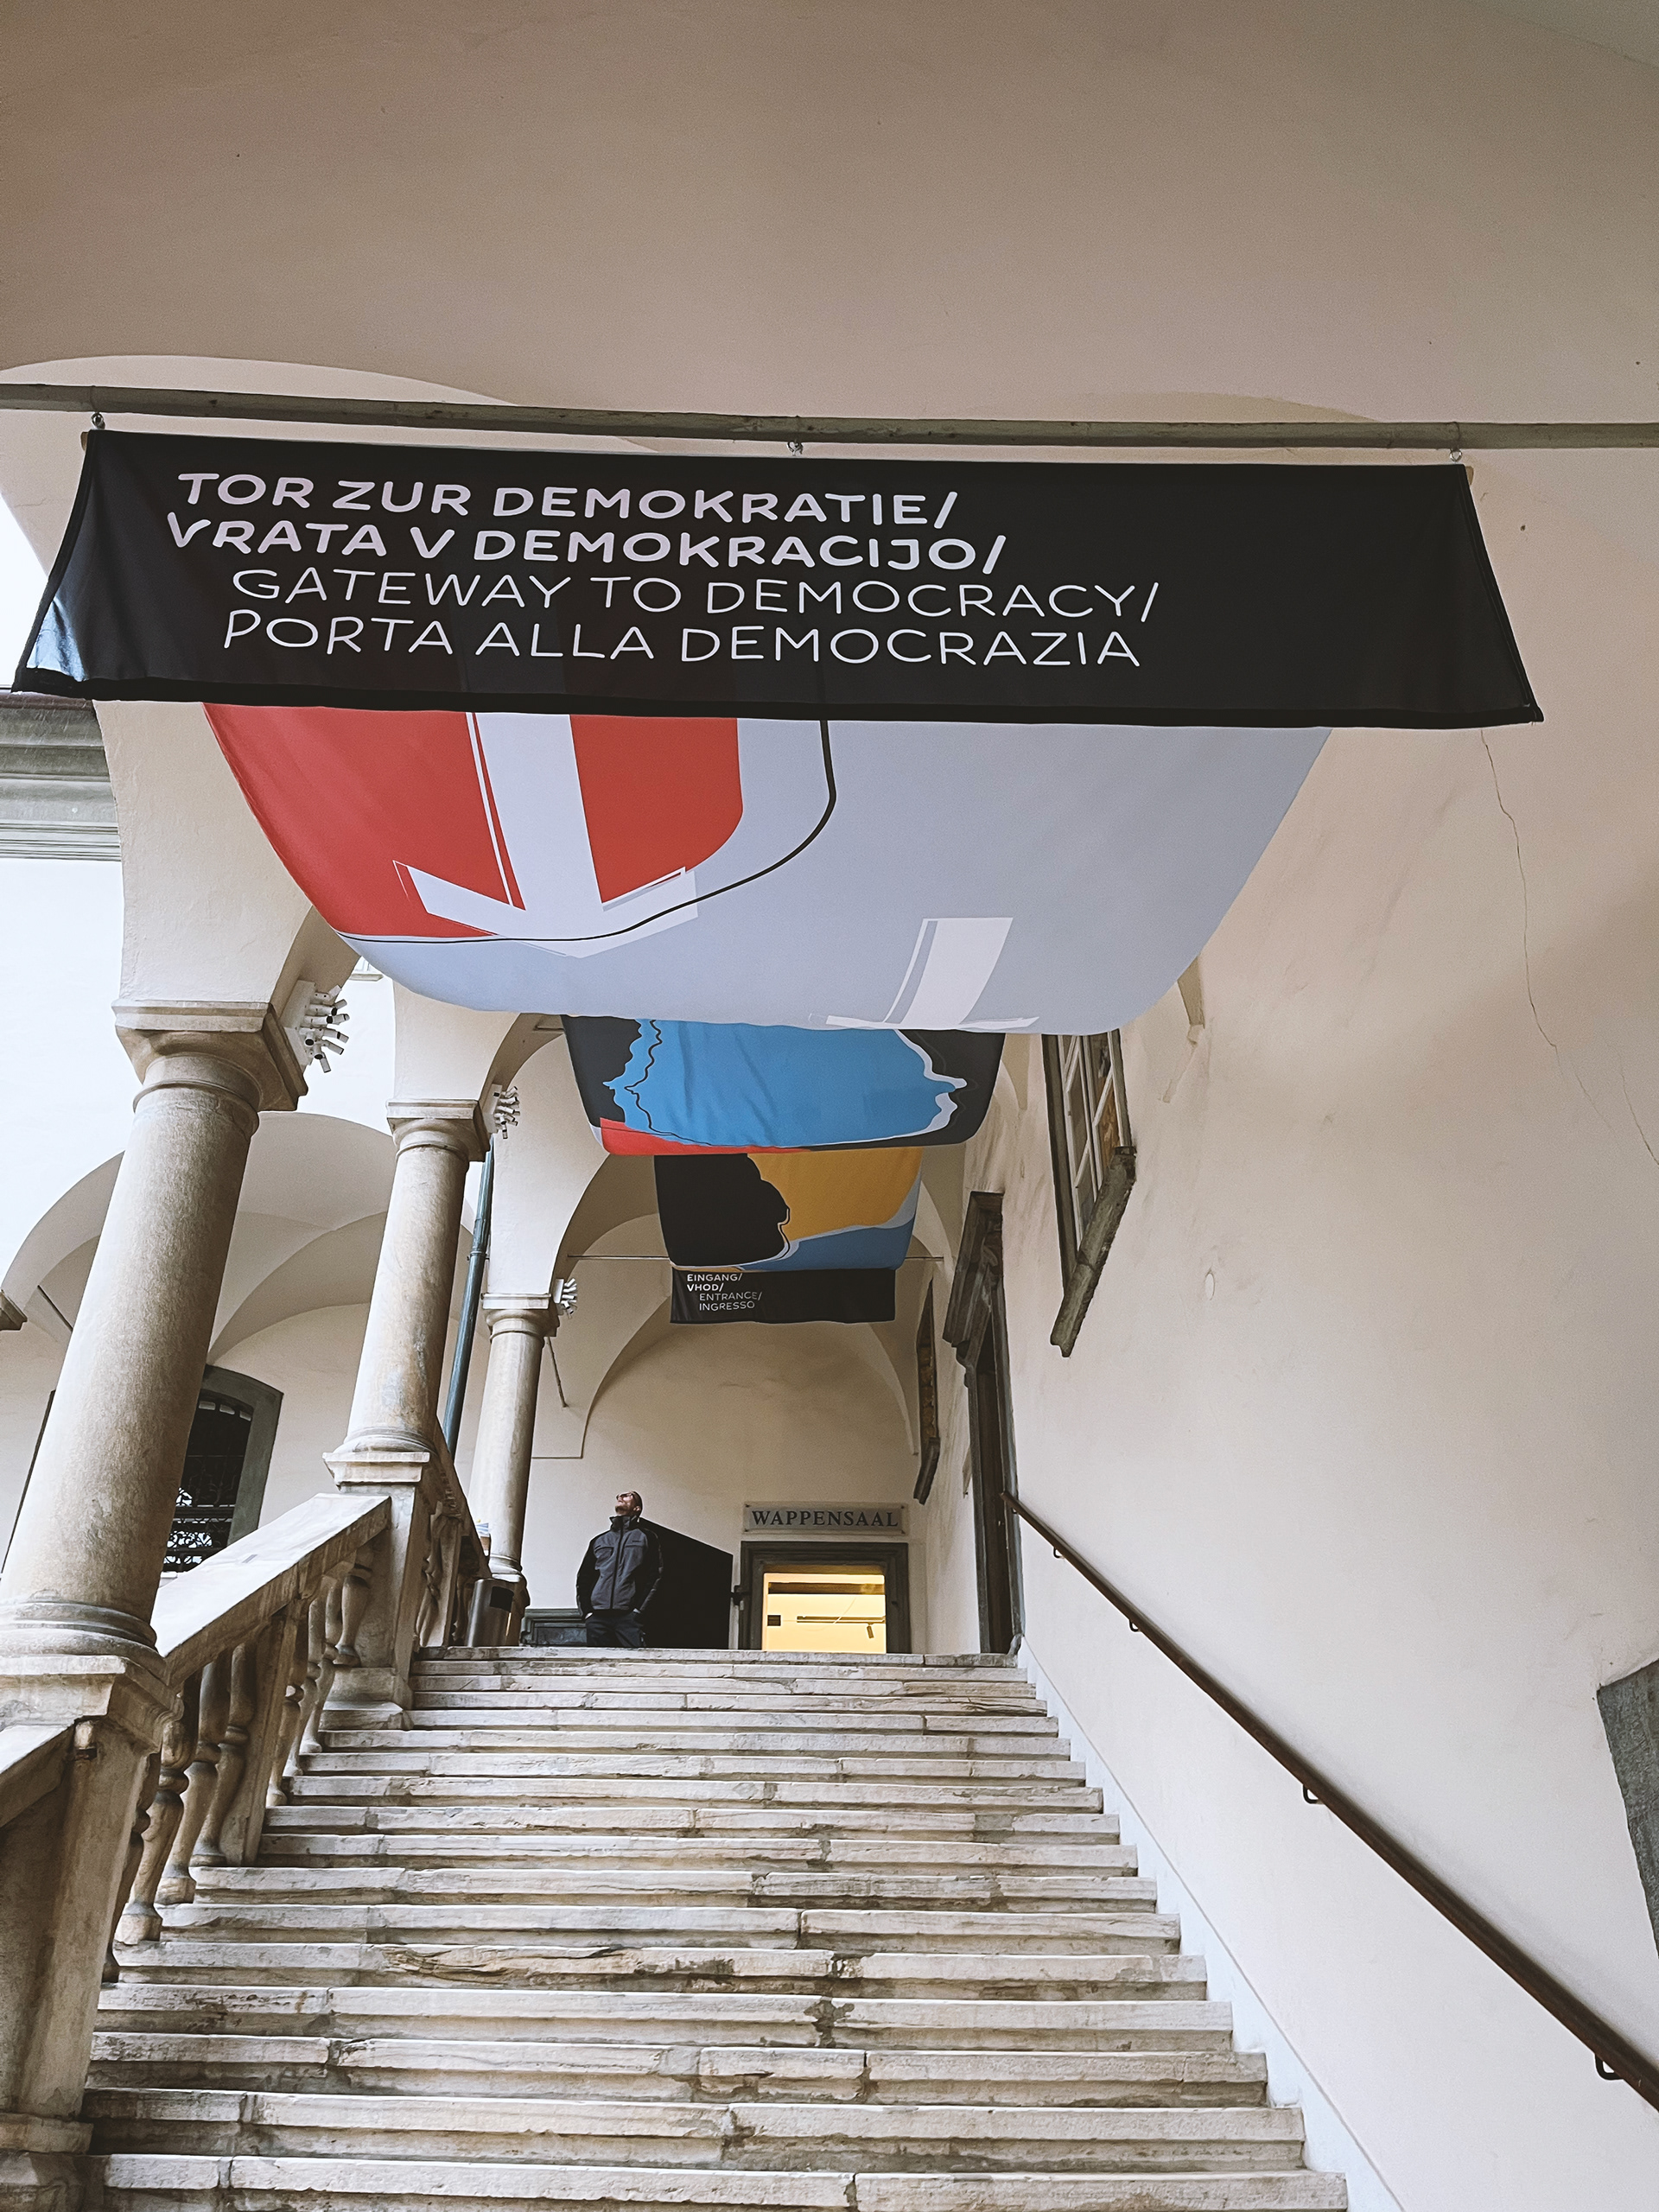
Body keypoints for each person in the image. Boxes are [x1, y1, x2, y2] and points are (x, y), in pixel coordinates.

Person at [576, 1491, 663, 1647]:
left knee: (635, 1661)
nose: (620, 1497)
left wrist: (638, 1611)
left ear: (637, 1508)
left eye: (628, 1496)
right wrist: (587, 1613)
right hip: (597, 1617)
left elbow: (655, 1575)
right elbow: (584, 1577)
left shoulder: (647, 1537)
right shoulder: (599, 1540)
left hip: (628, 1617)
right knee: (598, 1661)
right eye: (618, 1496)